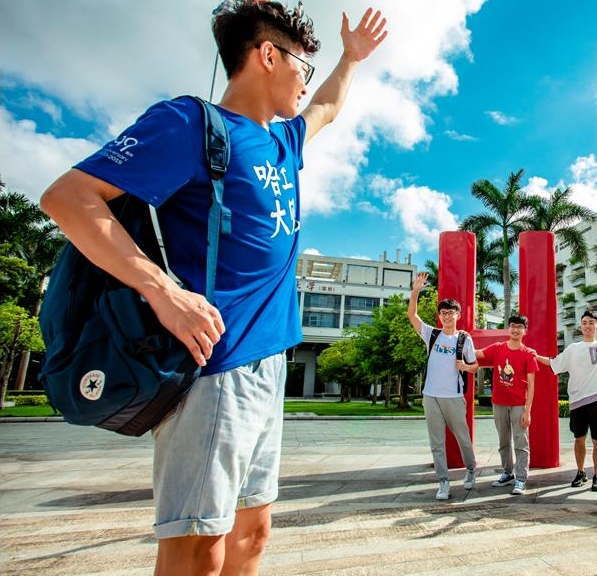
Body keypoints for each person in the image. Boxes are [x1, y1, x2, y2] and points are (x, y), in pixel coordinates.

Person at [38, 2, 386, 573]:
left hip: (270, 361)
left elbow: (326, 105)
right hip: (213, 365)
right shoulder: (190, 124)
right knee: (198, 545)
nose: (305, 79)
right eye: (301, 62)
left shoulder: (283, 143)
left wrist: (351, 58)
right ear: (268, 55)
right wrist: (162, 291)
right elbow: (68, 197)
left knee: (254, 531)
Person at [536, 291, 597, 492]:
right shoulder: (572, 348)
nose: (588, 325)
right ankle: (580, 472)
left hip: (596, 402)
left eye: (591, 322)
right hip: (577, 401)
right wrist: (534, 356)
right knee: (579, 439)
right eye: (585, 323)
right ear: (580, 327)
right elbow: (554, 364)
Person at [407, 271, 479, 501]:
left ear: (458, 315)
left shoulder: (463, 339)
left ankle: (470, 469)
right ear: (440, 316)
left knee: (463, 438)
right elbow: (412, 316)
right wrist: (416, 289)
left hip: (454, 398)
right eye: (444, 313)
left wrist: (465, 367)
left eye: (451, 312)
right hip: (431, 397)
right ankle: (443, 481)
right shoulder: (432, 334)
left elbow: (475, 365)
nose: (447, 316)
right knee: (436, 442)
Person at [465, 314, 538, 495]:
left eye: (519, 326)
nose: (515, 329)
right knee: (503, 441)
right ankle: (507, 473)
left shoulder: (528, 354)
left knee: (521, 442)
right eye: (512, 326)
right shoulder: (497, 348)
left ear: (524, 331)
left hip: (519, 404)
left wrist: (527, 411)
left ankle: (521, 478)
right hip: (499, 404)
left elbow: (531, 384)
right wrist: (458, 343)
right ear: (508, 328)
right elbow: (476, 354)